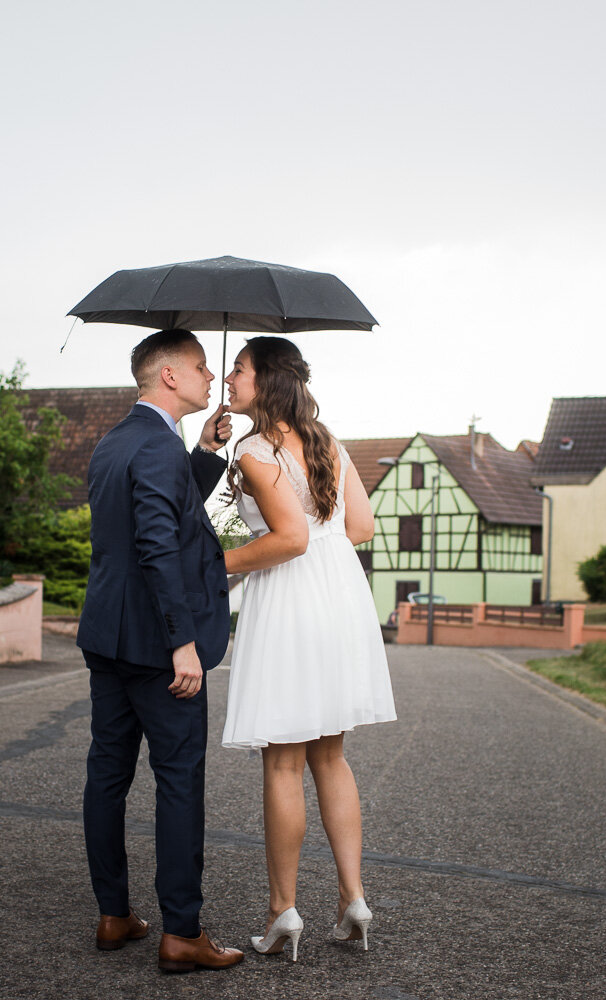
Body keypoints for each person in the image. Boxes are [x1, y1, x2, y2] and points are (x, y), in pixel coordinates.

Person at [219, 336, 397, 962]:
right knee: (331, 757)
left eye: (238, 369)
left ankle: (282, 911)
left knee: (282, 762)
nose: (228, 377)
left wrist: (218, 565)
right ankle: (353, 900)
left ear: (266, 381)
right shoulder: (326, 441)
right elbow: (360, 528)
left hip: (290, 601)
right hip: (340, 599)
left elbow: (288, 539)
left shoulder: (256, 450)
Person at [75, 328, 245, 975]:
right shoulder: (155, 448)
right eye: (202, 368)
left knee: (107, 777)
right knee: (178, 783)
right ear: (169, 376)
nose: (211, 378)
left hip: (106, 640)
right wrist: (183, 643)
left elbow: (159, 514)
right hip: (156, 649)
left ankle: (114, 914)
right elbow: (156, 546)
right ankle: (182, 932)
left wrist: (203, 455)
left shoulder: (119, 442)